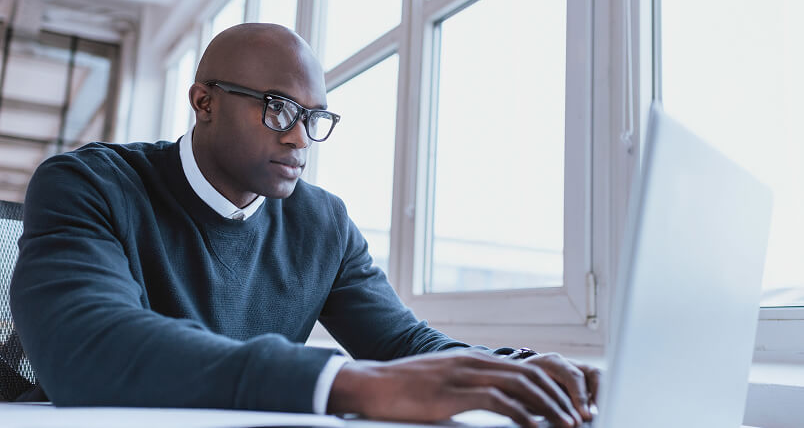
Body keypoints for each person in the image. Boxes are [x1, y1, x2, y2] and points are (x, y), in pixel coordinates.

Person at [10, 23, 599, 428]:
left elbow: (403, 347)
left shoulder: (324, 223)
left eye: (313, 117)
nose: (297, 136)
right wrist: (345, 383)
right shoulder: (89, 184)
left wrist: (516, 369)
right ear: (203, 101)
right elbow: (87, 348)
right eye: (278, 108)